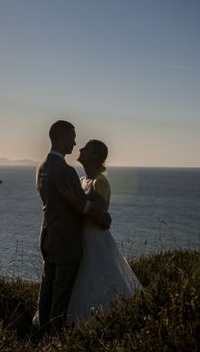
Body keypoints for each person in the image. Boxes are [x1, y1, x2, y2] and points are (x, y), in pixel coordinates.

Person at [34, 120, 111, 334]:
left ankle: (41, 333)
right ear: (62, 137)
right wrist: (105, 218)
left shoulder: (40, 167)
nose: (75, 142)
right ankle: (53, 338)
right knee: (61, 294)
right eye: (72, 137)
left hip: (48, 237)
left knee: (46, 290)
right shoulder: (66, 171)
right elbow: (81, 207)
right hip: (67, 242)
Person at [60, 139, 142, 324]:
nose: (80, 149)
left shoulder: (100, 182)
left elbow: (100, 213)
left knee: (99, 280)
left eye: (87, 148)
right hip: (83, 239)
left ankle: (106, 321)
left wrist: (73, 200)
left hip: (95, 240)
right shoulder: (82, 180)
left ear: (96, 156)